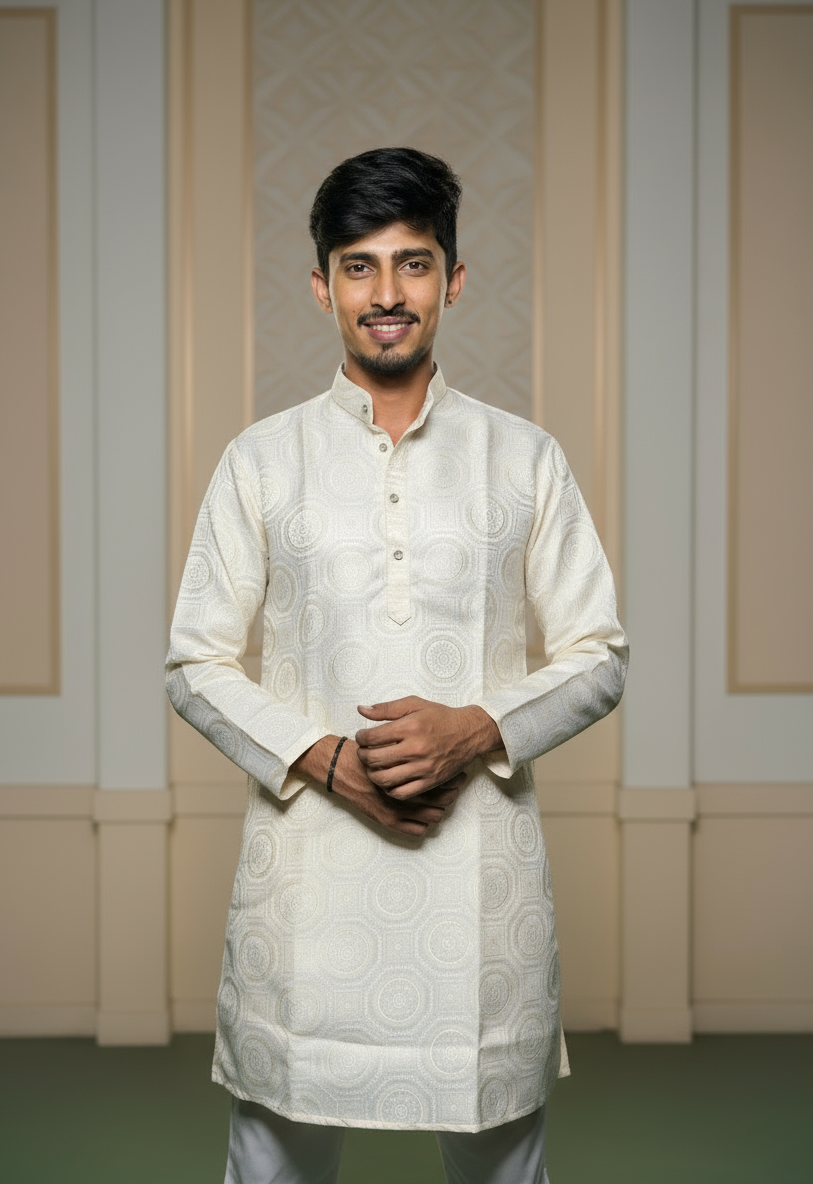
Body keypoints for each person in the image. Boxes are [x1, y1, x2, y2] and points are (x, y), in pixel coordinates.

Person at [166, 146, 628, 1184]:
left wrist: (478, 726)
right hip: (305, 894)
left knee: (504, 1166)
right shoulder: (260, 461)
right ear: (322, 283)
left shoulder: (526, 458)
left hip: (477, 896)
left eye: (413, 264)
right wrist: (326, 757)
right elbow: (194, 659)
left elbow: (599, 653)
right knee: (271, 1161)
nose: (387, 293)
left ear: (453, 280)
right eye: (360, 265)